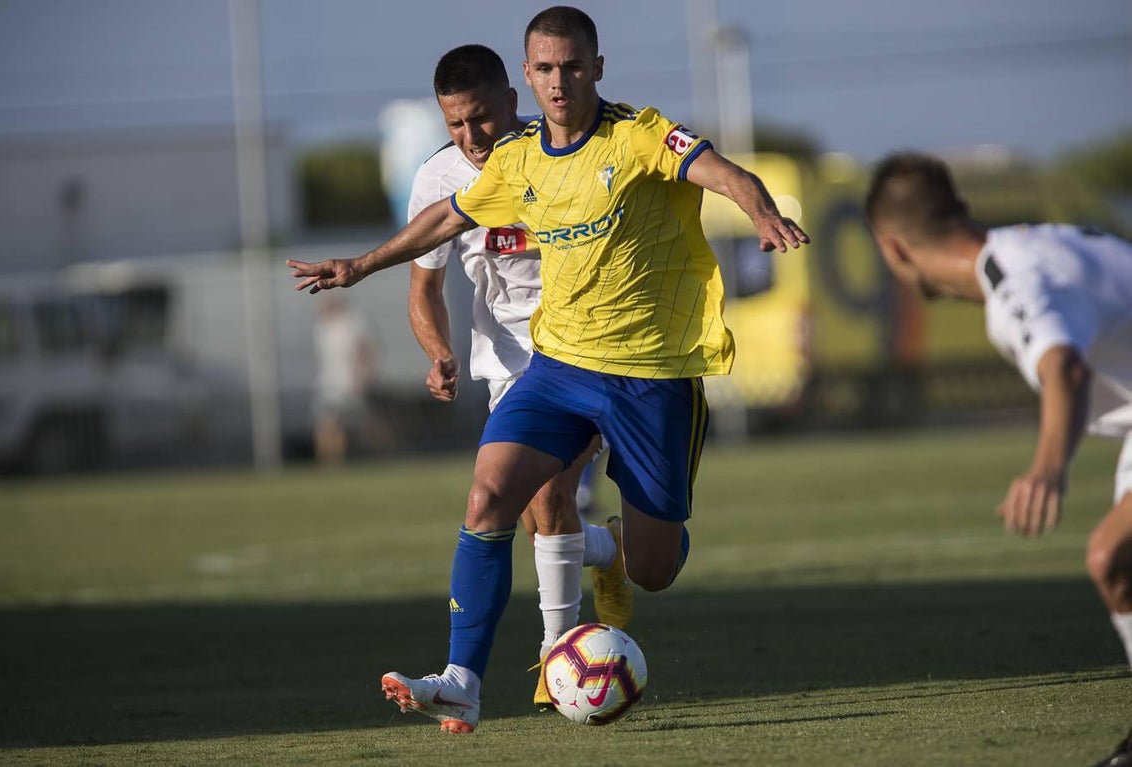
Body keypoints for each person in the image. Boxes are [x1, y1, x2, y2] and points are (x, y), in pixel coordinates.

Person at [287, 5, 808, 733]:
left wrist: (760, 212)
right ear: (526, 76)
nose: (558, 81)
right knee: (490, 496)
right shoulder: (515, 159)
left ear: (596, 67)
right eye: (545, 68)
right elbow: (446, 218)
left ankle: (620, 547)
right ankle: (464, 680)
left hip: (651, 373)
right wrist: (361, 264)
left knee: (654, 569)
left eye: (571, 66)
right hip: (557, 365)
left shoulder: (638, 134)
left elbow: (721, 169)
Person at [864, 152, 1132, 767]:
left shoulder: (1012, 282)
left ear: (892, 250)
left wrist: (1047, 467)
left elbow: (1063, 364)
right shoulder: (1029, 245)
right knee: (1119, 566)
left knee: (1111, 554)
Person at [405, 43, 632, 712]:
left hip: (588, 352)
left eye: (480, 118)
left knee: (548, 499)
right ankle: (605, 552)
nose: (470, 136)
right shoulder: (438, 178)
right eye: (455, 123)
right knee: (538, 511)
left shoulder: (563, 151)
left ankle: (557, 654)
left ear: (510, 102)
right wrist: (438, 350)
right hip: (508, 366)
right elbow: (423, 290)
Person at [311, 295, 378, 465]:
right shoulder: (322, 326)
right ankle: (330, 462)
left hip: (349, 380)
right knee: (328, 422)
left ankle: (381, 452)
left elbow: (364, 349)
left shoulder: (352, 321)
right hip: (328, 382)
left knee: (362, 422)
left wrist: (363, 375)